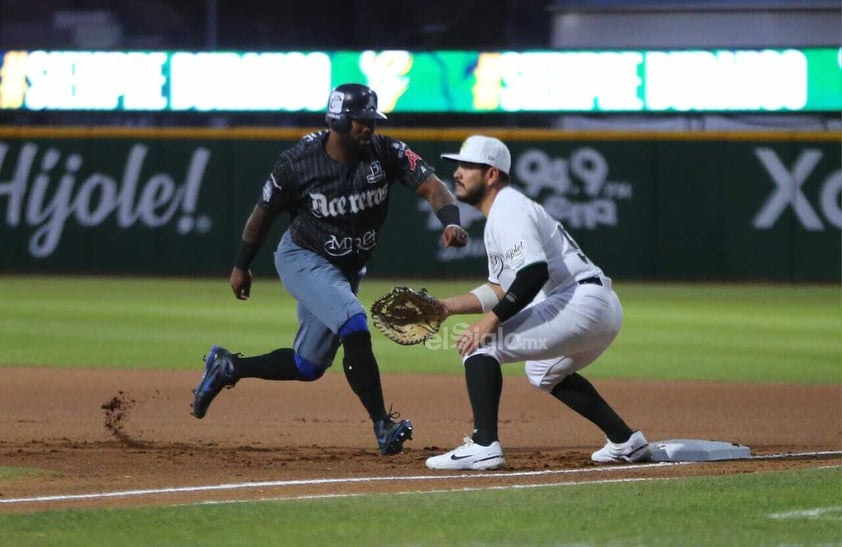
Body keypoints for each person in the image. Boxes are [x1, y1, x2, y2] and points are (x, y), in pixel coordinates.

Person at [191, 83, 469, 457]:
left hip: (346, 269)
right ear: (337, 119)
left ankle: (229, 367)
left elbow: (433, 187)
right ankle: (383, 426)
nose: (368, 128)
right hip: (303, 257)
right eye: (360, 121)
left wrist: (450, 222)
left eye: (372, 120)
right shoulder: (299, 162)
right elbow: (263, 214)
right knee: (354, 320)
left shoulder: (386, 151)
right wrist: (242, 265)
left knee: (307, 365)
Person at [425, 135, 651, 470]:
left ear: (491, 175)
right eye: (457, 166)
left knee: (480, 345)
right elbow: (500, 289)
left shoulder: (509, 209)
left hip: (580, 303)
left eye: (467, 166)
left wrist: (488, 323)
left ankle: (484, 445)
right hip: (598, 306)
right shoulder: (504, 212)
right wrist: (446, 307)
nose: (457, 173)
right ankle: (624, 440)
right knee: (543, 371)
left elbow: (532, 275)